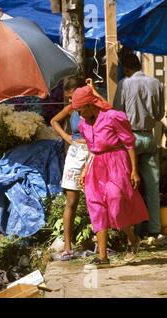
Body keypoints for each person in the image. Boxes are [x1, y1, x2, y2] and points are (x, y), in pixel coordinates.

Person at [73, 86, 149, 267]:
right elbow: (92, 149)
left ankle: (132, 238)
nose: (79, 113)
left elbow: (129, 143)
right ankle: (102, 257)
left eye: (80, 109)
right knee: (96, 207)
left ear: (90, 105)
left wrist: (134, 171)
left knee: (115, 203)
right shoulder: (83, 124)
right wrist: (85, 170)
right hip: (96, 167)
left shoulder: (112, 117)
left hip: (116, 162)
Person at [114, 53, 165, 241]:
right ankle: (154, 229)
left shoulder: (124, 84)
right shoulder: (156, 83)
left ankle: (135, 229)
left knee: (130, 185)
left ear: (126, 69)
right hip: (149, 136)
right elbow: (160, 114)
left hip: (130, 138)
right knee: (153, 185)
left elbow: (117, 114)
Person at [50, 77, 88, 260]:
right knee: (71, 201)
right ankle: (67, 246)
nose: (71, 101)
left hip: (92, 152)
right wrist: (67, 138)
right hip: (75, 153)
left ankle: (103, 239)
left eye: (73, 97)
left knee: (96, 199)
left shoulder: (92, 107)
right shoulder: (71, 108)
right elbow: (54, 121)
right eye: (68, 98)